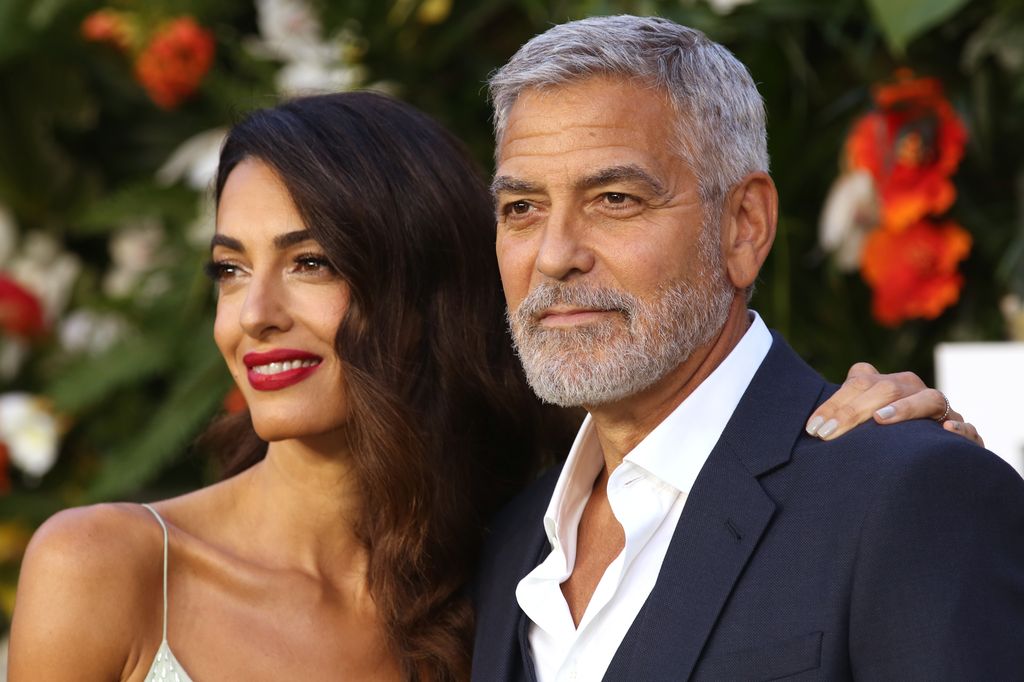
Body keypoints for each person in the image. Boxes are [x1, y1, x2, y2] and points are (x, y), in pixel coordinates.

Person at [8, 92, 975, 680]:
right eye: (228, 269)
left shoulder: (518, 562)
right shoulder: (108, 568)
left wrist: (897, 449)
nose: (252, 312)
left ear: (424, 286)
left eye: (311, 263)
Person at [471, 15, 1024, 681]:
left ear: (744, 227)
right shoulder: (507, 542)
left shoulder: (909, 496)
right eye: (522, 209)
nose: (555, 255)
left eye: (614, 199)